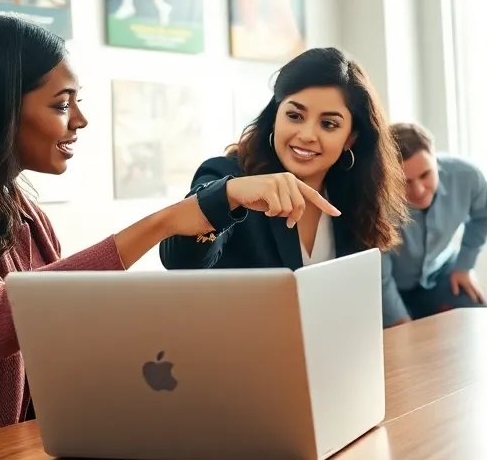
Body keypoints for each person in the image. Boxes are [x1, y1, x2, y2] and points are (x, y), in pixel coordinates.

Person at [0, 15, 329, 460]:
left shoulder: (17, 208)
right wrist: (163, 223)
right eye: (61, 104)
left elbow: (61, 333)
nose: (80, 120)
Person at [159, 48, 409, 325]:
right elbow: (179, 259)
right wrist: (229, 197)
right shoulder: (227, 174)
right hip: (238, 357)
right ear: (276, 116)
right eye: (295, 116)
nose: (306, 135)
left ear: (350, 138)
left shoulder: (356, 195)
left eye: (328, 124)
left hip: (331, 357)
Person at [382, 122, 487, 326]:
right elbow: (379, 275)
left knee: (478, 321)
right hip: (388, 288)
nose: (418, 190)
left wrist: (464, 266)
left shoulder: (467, 176)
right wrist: (399, 320)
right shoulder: (374, 201)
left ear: (436, 161)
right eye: (404, 182)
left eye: (426, 175)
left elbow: (485, 214)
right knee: (401, 347)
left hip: (441, 273)